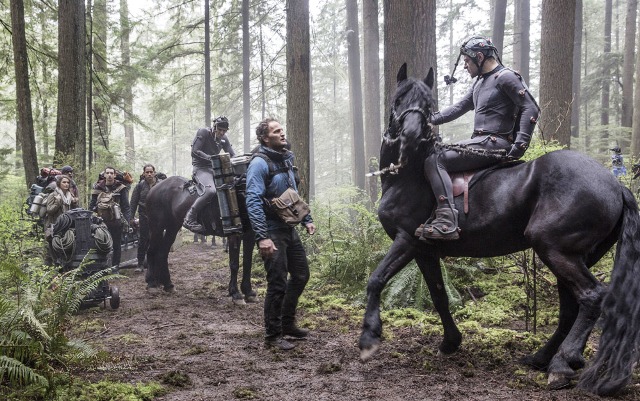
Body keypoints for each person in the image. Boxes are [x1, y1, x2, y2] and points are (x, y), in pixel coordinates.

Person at [414, 35, 540, 241]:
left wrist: (520, 145)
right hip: (481, 142)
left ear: (479, 57)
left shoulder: (506, 77)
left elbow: (531, 108)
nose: (465, 66)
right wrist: (427, 119)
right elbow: (459, 107)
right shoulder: (480, 83)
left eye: (467, 61)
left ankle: (446, 221)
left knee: (435, 159)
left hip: (495, 143)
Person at [245, 118, 316, 350]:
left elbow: (292, 194)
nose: (282, 134)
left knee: (301, 275)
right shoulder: (259, 163)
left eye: (282, 130)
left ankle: (287, 324)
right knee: (277, 282)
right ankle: (273, 335)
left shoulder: (286, 158)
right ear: (265, 138)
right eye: (276, 131)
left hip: (288, 227)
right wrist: (262, 237)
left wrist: (306, 218)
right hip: (271, 230)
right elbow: (253, 200)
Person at [183, 116, 236, 234]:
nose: (221, 133)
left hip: (216, 170)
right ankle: (189, 218)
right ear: (214, 127)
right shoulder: (203, 132)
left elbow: (232, 155)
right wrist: (212, 158)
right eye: (220, 129)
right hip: (201, 169)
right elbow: (195, 151)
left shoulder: (224, 139)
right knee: (210, 191)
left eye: (224, 131)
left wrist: (240, 161)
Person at [89, 166, 132, 271]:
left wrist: (126, 222)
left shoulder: (121, 188)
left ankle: (115, 267)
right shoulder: (98, 187)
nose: (109, 175)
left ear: (114, 175)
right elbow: (92, 205)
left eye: (111, 173)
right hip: (101, 222)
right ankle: (102, 267)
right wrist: (91, 218)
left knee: (116, 244)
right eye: (107, 173)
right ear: (104, 175)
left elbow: (126, 206)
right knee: (102, 243)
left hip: (116, 221)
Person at [130, 164, 164, 272]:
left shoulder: (161, 185)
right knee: (143, 240)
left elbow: (166, 201)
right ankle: (140, 264)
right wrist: (131, 218)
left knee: (157, 239)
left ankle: (157, 263)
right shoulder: (140, 186)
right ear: (144, 173)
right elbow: (133, 202)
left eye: (151, 172)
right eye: (147, 172)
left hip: (158, 217)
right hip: (144, 216)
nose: (149, 174)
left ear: (154, 173)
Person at [44, 174, 79, 264]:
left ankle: (65, 265)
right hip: (55, 225)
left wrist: (75, 203)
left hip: (66, 226)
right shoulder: (53, 195)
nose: (66, 184)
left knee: (65, 246)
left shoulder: (70, 196)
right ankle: (50, 266)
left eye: (68, 182)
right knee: (53, 248)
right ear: (59, 183)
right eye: (64, 182)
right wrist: (57, 202)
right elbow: (49, 210)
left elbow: (74, 211)